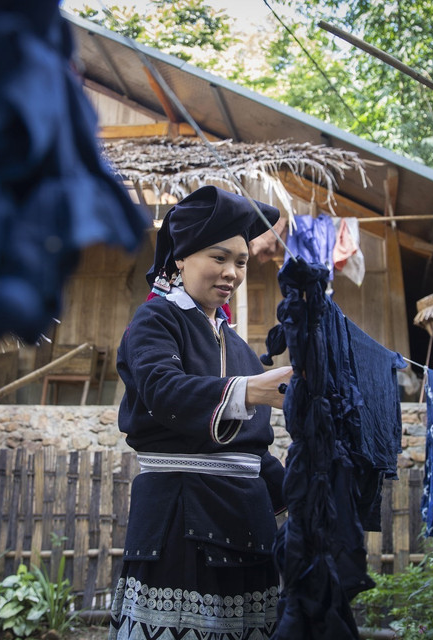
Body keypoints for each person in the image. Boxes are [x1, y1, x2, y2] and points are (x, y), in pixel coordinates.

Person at [109, 185, 294, 640]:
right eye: (218, 257)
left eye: (242, 261)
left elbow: (255, 454)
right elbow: (163, 390)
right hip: (177, 520)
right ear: (180, 258)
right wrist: (248, 392)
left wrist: (307, 490)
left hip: (246, 527)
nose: (232, 272)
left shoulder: (240, 351)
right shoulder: (155, 322)